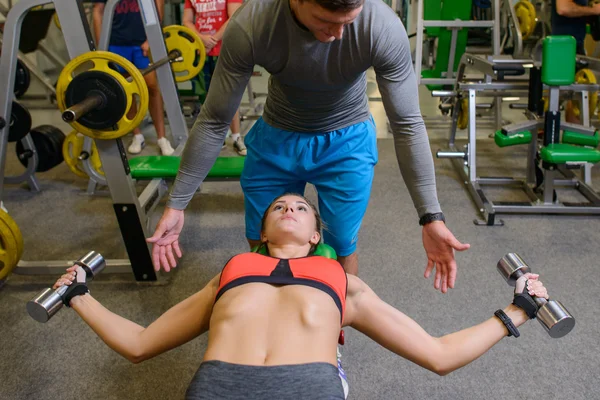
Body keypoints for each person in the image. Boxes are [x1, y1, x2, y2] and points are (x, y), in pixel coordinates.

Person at [54, 193, 549, 400]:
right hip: (219, 388)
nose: (289, 207)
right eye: (278, 206)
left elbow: (438, 355)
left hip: (306, 389)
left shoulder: (343, 282)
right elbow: (142, 344)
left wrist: (518, 312)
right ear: (262, 230)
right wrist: (78, 295)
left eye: (300, 207)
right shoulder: (232, 271)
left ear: (316, 235)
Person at [148, 0, 470, 290]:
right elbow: (215, 119)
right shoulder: (252, 24)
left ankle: (335, 329)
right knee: (265, 241)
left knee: (342, 245)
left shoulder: (380, 26)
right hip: (277, 137)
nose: (340, 34)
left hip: (347, 141)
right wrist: (178, 202)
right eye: (327, 21)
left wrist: (432, 216)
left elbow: (407, 123)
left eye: (348, 21)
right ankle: (273, 315)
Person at [92, 0, 175, 156]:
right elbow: (98, 11)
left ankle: (162, 138)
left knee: (152, 87)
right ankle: (137, 135)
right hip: (116, 42)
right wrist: (101, 48)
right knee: (126, 89)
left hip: (141, 42)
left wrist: (151, 38)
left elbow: (158, 4)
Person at [183, 0, 247, 156]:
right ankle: (218, 137)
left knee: (230, 96)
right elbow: (186, 20)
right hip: (201, 51)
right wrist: (201, 38)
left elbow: (235, 17)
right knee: (206, 97)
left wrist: (214, 39)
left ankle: (237, 137)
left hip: (225, 50)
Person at [551, 0, 600, 122]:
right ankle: (547, 134)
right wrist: (594, 10)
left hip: (574, 44)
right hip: (563, 46)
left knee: (574, 96)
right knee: (558, 96)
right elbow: (563, 8)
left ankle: (572, 136)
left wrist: (591, 11)